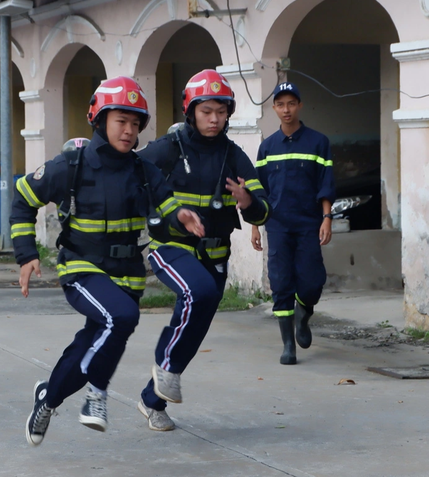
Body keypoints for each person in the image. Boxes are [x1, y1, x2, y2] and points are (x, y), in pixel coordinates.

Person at [11, 76, 205, 445]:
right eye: (121, 121)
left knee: (90, 345)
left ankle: (47, 400)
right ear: (99, 119)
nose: (129, 131)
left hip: (127, 274)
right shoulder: (71, 165)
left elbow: (167, 204)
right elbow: (23, 199)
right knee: (123, 317)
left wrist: (180, 216)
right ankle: (96, 395)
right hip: (81, 267)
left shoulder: (144, 170)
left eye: (135, 124)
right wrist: (26, 255)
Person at [136, 69, 270, 431]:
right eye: (206, 111)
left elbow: (265, 207)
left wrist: (248, 201)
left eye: (221, 112)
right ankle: (166, 369)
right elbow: (133, 178)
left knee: (194, 328)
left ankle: (153, 400)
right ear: (190, 111)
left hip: (215, 256)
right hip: (171, 247)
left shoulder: (233, 155)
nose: (214, 119)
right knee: (199, 290)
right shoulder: (168, 148)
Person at [251, 82, 335, 365]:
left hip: (309, 223)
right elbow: (259, 191)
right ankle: (288, 344)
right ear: (274, 108)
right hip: (277, 225)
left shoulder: (318, 142)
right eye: (280, 104)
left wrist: (326, 218)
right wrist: (254, 226)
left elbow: (326, 183)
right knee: (281, 282)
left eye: (291, 103)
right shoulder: (267, 147)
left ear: (299, 105)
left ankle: (304, 314)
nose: (286, 110)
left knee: (312, 282)